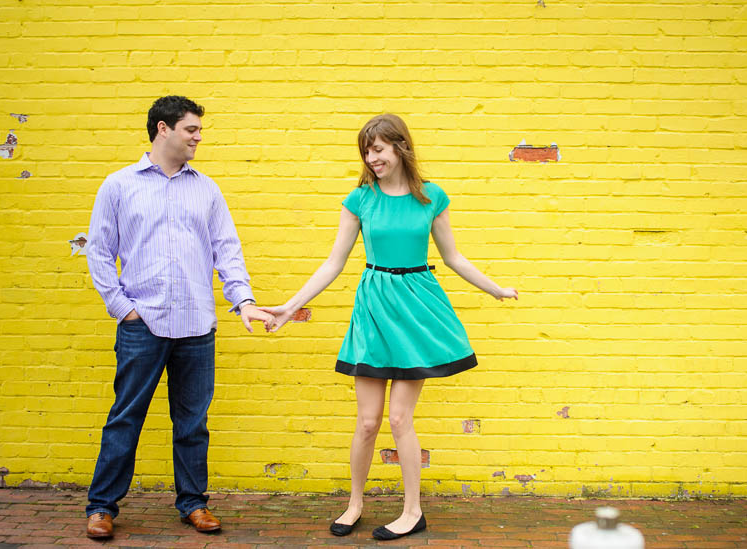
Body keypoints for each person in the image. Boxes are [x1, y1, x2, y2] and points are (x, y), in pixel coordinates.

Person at [260, 114, 518, 540]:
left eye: (377, 148)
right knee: (367, 422)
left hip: (416, 309)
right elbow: (333, 262)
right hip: (375, 309)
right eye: (366, 150)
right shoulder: (360, 199)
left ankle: (413, 511)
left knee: (400, 419)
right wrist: (290, 306)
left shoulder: (431, 197)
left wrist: (494, 289)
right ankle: (355, 503)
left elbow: (454, 257)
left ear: (400, 146)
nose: (371, 157)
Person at [84, 95, 274, 539]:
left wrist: (243, 301)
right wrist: (122, 308)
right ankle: (102, 506)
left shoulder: (206, 188)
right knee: (125, 418)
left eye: (199, 130)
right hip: (142, 324)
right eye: (191, 129)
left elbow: (227, 250)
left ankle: (193, 503)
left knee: (192, 423)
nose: (198, 137)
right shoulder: (119, 185)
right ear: (163, 129)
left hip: (196, 326)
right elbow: (98, 251)